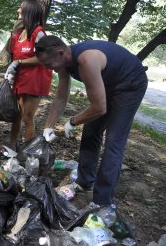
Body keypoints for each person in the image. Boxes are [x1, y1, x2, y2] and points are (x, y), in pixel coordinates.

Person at [35, 35, 148, 206]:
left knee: (113, 142)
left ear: (60, 53)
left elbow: (99, 108)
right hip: (108, 82)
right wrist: (47, 127)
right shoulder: (64, 62)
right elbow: (61, 97)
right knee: (91, 132)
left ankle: (102, 201)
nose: (46, 68)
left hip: (130, 84)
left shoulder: (86, 60)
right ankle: (85, 181)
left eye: (48, 64)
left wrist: (73, 121)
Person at [5, 0, 52, 150]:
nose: (18, 11)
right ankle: (12, 146)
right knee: (16, 114)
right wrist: (12, 67)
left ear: (29, 12)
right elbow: (16, 55)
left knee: (27, 117)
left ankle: (26, 152)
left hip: (34, 80)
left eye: (21, 8)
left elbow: (44, 56)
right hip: (20, 79)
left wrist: (19, 63)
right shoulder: (20, 32)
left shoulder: (38, 33)